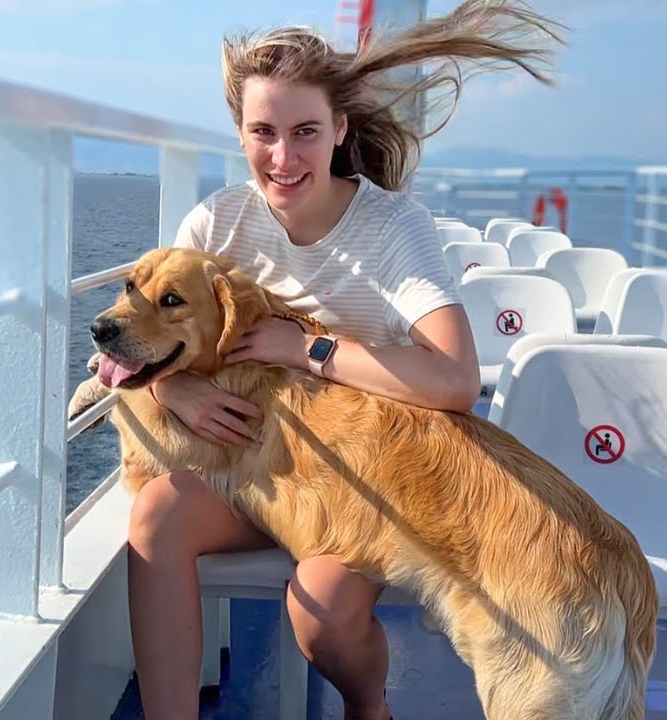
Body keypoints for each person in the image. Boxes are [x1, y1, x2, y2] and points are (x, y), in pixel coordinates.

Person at [106, 2, 563, 717]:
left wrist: (309, 348)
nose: (282, 158)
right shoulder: (215, 224)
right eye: (262, 132)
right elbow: (153, 339)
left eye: (304, 132)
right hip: (243, 465)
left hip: (349, 480)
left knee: (319, 613)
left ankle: (366, 707)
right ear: (240, 133)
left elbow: (454, 380)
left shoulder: (392, 229)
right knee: (157, 517)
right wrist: (173, 395)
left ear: (339, 130)